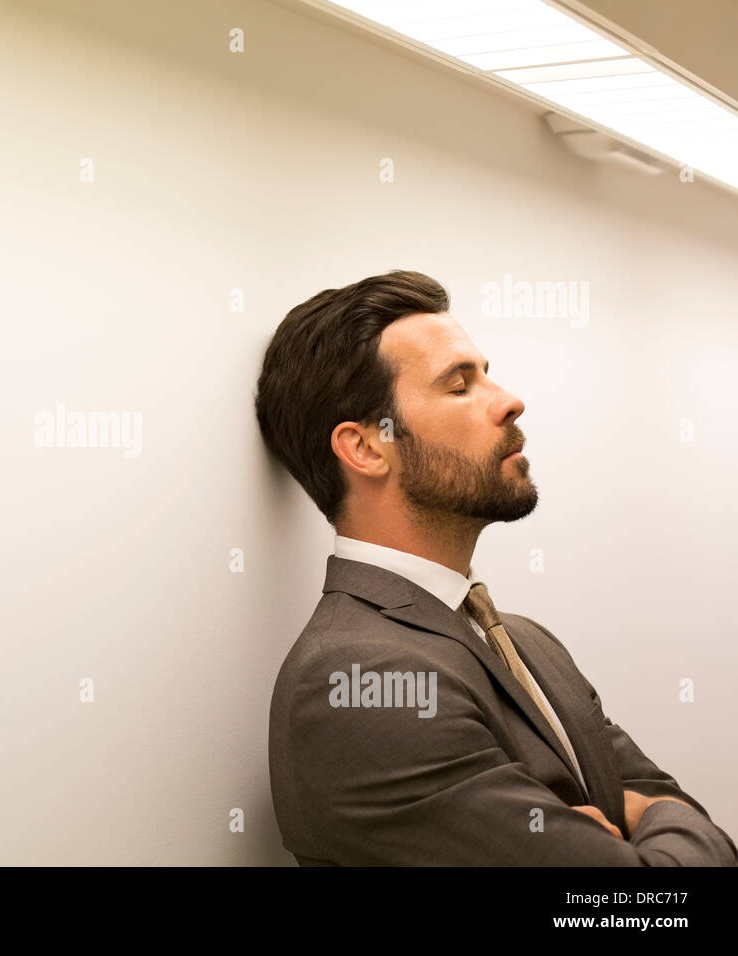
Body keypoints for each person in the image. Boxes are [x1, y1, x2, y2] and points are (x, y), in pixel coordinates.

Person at [253, 270, 736, 865]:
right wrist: (649, 818)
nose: (509, 400)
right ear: (367, 447)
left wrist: (652, 812)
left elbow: (676, 809)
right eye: (459, 386)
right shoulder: (356, 680)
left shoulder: (527, 641)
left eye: (486, 374)